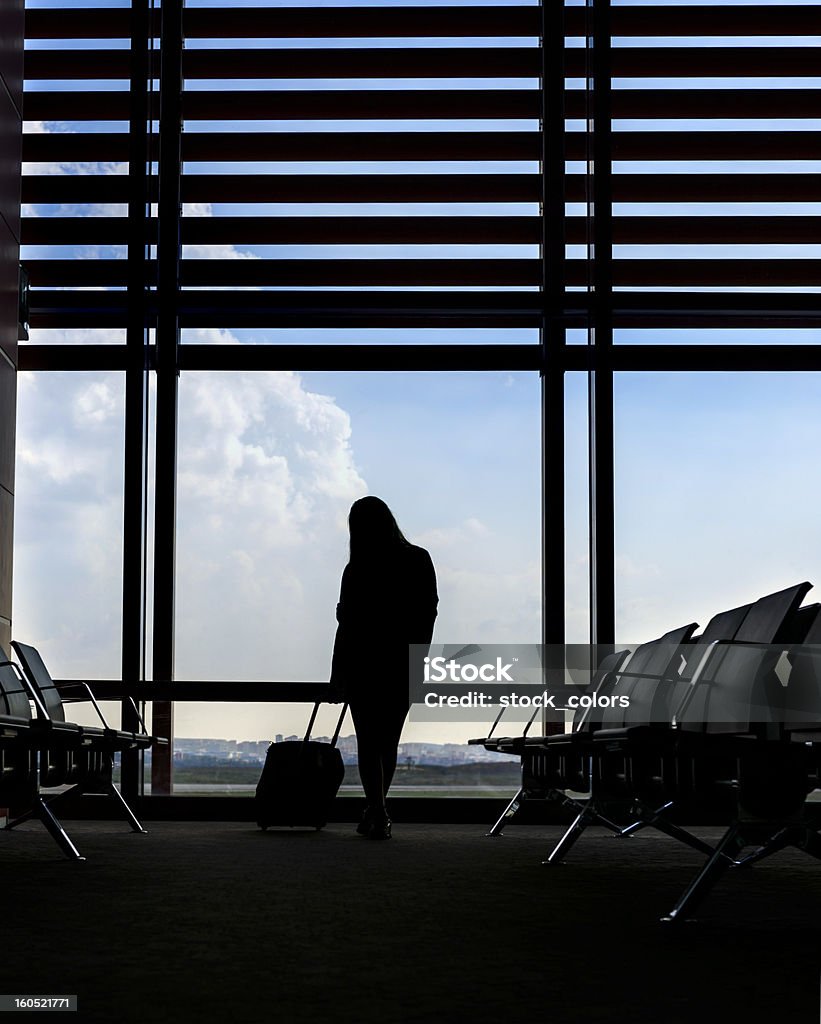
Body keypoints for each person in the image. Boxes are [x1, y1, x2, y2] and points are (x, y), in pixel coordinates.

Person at [328, 496, 438, 840]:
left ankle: (376, 809)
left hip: (363, 664)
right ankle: (378, 809)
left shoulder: (357, 567)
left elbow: (346, 625)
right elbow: (427, 616)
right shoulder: (418, 559)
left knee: (367, 742)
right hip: (401, 665)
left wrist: (337, 674)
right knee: (388, 742)